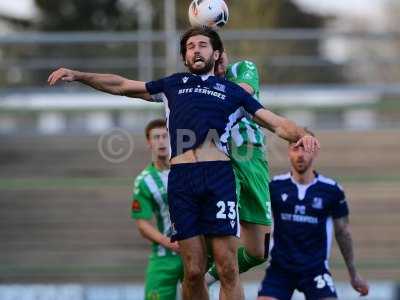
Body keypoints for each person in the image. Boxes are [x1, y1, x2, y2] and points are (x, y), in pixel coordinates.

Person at [48, 27, 319, 300]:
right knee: (193, 270)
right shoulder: (172, 85)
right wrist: (80, 76)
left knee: (228, 268)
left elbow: (275, 122)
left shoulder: (233, 92)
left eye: (203, 44)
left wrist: (303, 135)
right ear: (184, 56)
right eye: (190, 46)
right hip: (182, 181)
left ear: (216, 54)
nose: (196, 49)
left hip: (218, 179)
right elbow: (121, 85)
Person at [258, 131, 369, 300]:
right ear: (288, 152)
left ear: (315, 151)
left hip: (315, 269)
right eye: (295, 149)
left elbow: (343, 232)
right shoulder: (274, 186)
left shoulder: (332, 190)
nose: (300, 155)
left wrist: (353, 274)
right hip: (280, 269)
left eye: (305, 149)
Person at [205, 53, 272, 285]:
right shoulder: (197, 82)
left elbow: (243, 92)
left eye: (219, 52)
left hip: (253, 158)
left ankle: (206, 278)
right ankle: (200, 278)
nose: (218, 58)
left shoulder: (244, 68)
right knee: (225, 249)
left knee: (260, 252)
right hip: (222, 157)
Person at [131, 119, 183, 300]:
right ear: (149, 143)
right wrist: (168, 242)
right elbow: (142, 223)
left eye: (165, 136)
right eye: (156, 137)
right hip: (164, 255)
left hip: (196, 251)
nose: (161, 141)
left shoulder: (188, 170)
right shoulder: (144, 181)